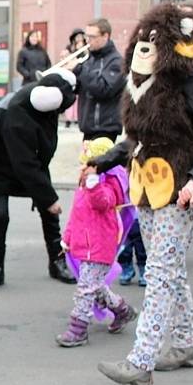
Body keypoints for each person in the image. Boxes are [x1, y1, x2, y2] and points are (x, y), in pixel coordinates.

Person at [88, 3, 193, 385]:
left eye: (156, 39)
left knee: (159, 274)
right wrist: (104, 161)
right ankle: (187, 344)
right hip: (146, 186)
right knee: (168, 269)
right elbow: (136, 137)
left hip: (180, 190)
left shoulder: (192, 82)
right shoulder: (143, 84)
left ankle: (141, 363)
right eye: (143, 37)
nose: (145, 45)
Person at [0, 68, 78, 290]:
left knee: (49, 215)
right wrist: (49, 198)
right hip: (2, 166)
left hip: (31, 164)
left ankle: (56, 261)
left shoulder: (47, 101)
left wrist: (45, 196)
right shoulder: (16, 116)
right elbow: (24, 163)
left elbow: (37, 156)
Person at [56, 138, 137, 347]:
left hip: (100, 246)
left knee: (85, 287)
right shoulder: (85, 184)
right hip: (85, 245)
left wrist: (94, 183)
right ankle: (123, 310)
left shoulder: (110, 183)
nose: (82, 169)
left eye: (87, 165)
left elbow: (104, 202)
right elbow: (76, 214)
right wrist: (67, 238)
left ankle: (78, 329)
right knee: (95, 286)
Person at [74, 18, 125, 142]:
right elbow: (80, 88)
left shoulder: (117, 62)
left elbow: (104, 89)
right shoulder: (89, 59)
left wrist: (79, 70)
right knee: (86, 161)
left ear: (105, 36)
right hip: (88, 127)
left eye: (92, 36)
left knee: (97, 161)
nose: (88, 40)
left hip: (104, 128)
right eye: (86, 36)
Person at [60, 29, 88, 127]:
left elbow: (87, 59)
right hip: (71, 73)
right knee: (70, 95)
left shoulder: (86, 47)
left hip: (81, 73)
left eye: (81, 36)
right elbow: (64, 59)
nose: (79, 39)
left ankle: (77, 118)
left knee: (79, 97)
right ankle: (68, 118)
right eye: (77, 37)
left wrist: (84, 50)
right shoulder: (69, 48)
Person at [117, 219, 147, 286]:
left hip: (139, 218)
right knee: (124, 249)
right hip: (123, 217)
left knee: (141, 249)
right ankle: (127, 270)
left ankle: (144, 271)